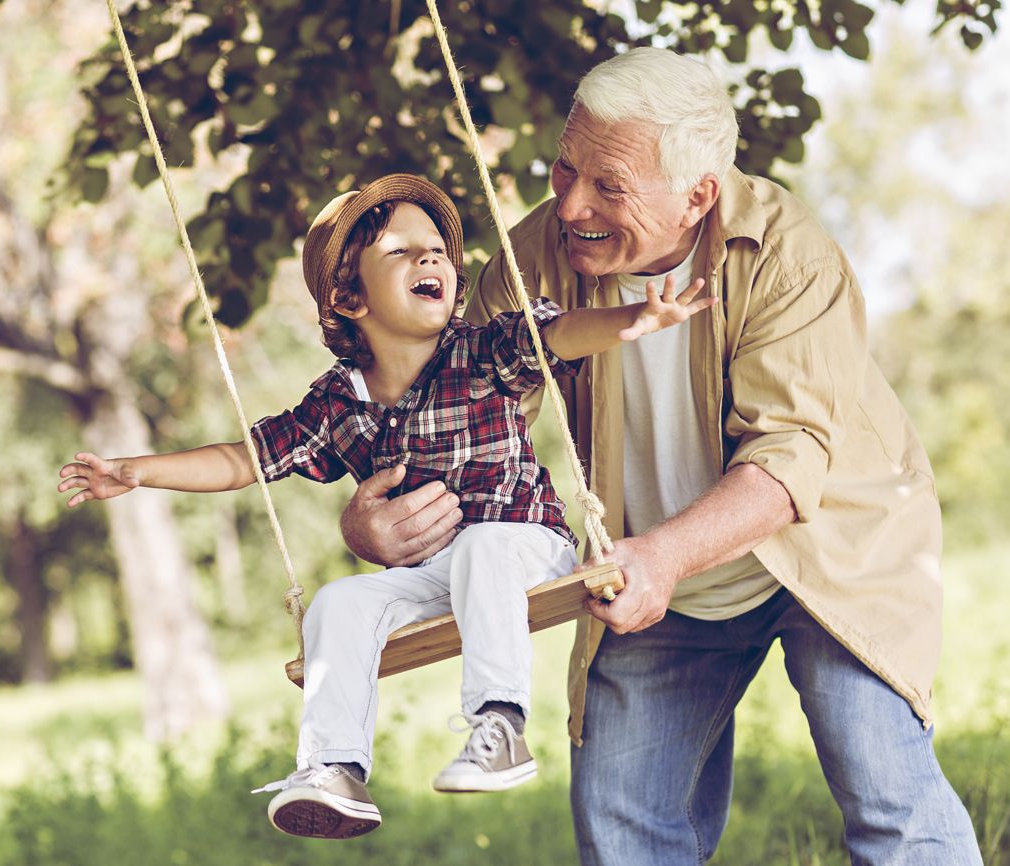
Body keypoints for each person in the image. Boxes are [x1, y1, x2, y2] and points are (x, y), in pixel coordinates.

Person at [339, 48, 983, 865]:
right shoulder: (535, 261)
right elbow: (448, 415)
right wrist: (380, 520)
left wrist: (667, 556)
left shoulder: (787, 254)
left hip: (827, 554)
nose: (571, 204)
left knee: (886, 788)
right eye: (564, 168)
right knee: (622, 824)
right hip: (653, 572)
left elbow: (789, 457)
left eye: (608, 185)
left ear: (697, 196)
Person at [58, 173, 713, 840]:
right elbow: (244, 459)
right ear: (349, 296)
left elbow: (567, 334)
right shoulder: (337, 402)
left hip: (523, 548)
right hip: (439, 573)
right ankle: (334, 769)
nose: (431, 259)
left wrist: (636, 320)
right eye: (401, 253)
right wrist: (137, 471)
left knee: (485, 547)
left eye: (436, 251)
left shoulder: (485, 351)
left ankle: (500, 725)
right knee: (340, 603)